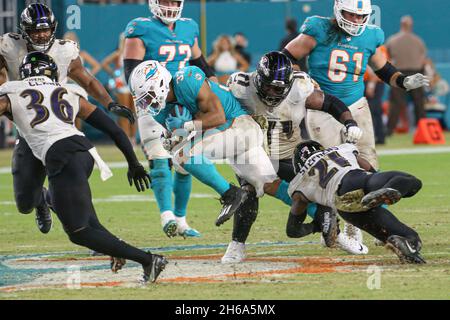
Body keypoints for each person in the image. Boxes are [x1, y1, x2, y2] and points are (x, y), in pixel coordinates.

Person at [0, 52, 168, 283]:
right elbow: (114, 130)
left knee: (79, 232)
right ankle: (124, 252)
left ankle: (149, 260)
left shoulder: (12, 91)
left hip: (61, 157)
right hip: (84, 153)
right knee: (90, 223)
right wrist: (133, 163)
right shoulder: (67, 92)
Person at [283, 0, 429, 246]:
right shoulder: (318, 28)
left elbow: (382, 69)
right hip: (323, 107)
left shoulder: (371, 35)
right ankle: (335, 226)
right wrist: (301, 79)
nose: (356, 21)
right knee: (335, 172)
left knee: (369, 164)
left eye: (362, 16)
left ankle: (366, 225)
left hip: (356, 105)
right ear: (339, 11)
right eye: (351, 14)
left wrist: (403, 82)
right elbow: (287, 56)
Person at [0, 3, 134, 235]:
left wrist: (109, 103)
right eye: (35, 30)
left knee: (76, 187)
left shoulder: (64, 51)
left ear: (54, 28)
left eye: (45, 29)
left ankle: (95, 233)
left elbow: (88, 80)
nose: (41, 34)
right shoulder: (9, 47)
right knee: (24, 203)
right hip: (30, 130)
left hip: (60, 127)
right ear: (23, 31)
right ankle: (41, 199)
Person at [225, 51, 366, 263]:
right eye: (269, 86)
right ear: (258, 79)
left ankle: (341, 229)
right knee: (248, 192)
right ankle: (237, 245)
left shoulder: (300, 88)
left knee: (324, 188)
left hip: (289, 154)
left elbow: (330, 103)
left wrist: (349, 123)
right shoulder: (240, 87)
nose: (273, 93)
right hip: (254, 154)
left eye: (279, 88)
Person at [129, 61, 296, 229]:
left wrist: (186, 126)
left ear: (161, 83)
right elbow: (181, 135)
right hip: (228, 135)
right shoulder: (161, 112)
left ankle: (230, 194)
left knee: (182, 155)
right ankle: (317, 210)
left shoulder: (187, 79)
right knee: (268, 184)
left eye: (149, 95)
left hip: (240, 126)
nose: (147, 103)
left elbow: (218, 117)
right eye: (143, 99)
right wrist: (171, 137)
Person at [123, 0, 218, 238]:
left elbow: (200, 63)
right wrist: (148, 98)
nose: (170, 5)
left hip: (183, 101)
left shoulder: (188, 27)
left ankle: (182, 220)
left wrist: (215, 88)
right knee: (159, 156)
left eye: (174, 1)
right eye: (165, 1)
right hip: (154, 101)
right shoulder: (140, 27)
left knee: (185, 162)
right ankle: (166, 216)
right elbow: (131, 73)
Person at [287, 140, 425, 264]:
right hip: (357, 180)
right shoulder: (340, 150)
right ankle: (385, 191)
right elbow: (366, 166)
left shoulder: (299, 184)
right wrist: (375, 180)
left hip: (346, 208)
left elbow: (293, 230)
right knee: (412, 182)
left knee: (401, 237)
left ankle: (406, 246)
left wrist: (315, 226)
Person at [385, 16, 428, 135]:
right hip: (416, 72)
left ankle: (389, 130)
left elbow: (386, 58)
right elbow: (423, 59)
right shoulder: (418, 41)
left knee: (396, 104)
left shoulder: (392, 40)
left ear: (401, 25)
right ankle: (423, 130)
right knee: (419, 103)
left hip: (398, 74)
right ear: (411, 25)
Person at [102, 33, 136, 145]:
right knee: (125, 111)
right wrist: (114, 74)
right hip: (122, 86)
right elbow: (105, 63)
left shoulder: (134, 53)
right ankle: (126, 137)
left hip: (132, 84)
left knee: (134, 112)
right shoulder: (118, 53)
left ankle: (133, 137)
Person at [364, 45, 388, 145]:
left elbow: (377, 66)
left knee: (372, 110)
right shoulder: (382, 47)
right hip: (374, 81)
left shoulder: (376, 47)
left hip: (373, 82)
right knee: (376, 110)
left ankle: (374, 136)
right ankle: (379, 136)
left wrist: (371, 84)